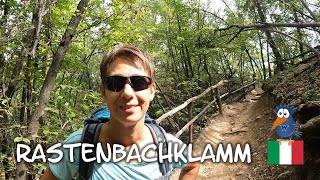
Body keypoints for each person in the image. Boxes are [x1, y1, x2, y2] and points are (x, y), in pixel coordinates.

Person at [41, 43, 199, 179]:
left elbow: (192, 165)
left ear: (152, 91)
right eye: (116, 83)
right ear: (103, 92)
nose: (128, 93)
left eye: (139, 82)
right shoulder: (78, 146)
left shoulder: (166, 145)